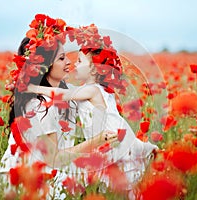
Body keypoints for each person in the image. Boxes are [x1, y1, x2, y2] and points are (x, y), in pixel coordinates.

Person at [0, 15, 118, 199]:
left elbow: (95, 94)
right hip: (25, 184)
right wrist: (98, 140)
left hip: (51, 177)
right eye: (62, 58)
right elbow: (54, 158)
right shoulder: (38, 106)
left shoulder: (65, 94)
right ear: (45, 67)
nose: (69, 62)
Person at [27, 27, 158, 191]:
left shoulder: (93, 90)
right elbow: (66, 88)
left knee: (119, 185)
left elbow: (61, 93)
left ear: (94, 69)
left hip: (113, 140)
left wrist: (34, 88)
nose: (75, 63)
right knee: (119, 186)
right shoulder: (92, 89)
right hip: (109, 141)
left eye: (80, 61)